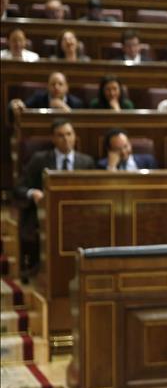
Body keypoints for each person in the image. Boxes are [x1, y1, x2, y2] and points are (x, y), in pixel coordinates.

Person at [14, 119, 95, 278]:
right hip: (45, 215)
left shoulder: (86, 162)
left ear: (75, 136)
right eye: (60, 135)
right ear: (53, 138)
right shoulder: (39, 159)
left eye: (69, 134)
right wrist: (33, 193)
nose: (66, 139)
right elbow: (19, 188)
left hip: (78, 216)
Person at [10, 72, 83, 117]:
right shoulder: (38, 98)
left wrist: (65, 108)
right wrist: (16, 105)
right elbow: (23, 108)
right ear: (48, 86)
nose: (56, 87)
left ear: (67, 87)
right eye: (53, 84)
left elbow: (80, 123)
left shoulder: (76, 103)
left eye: (60, 84)